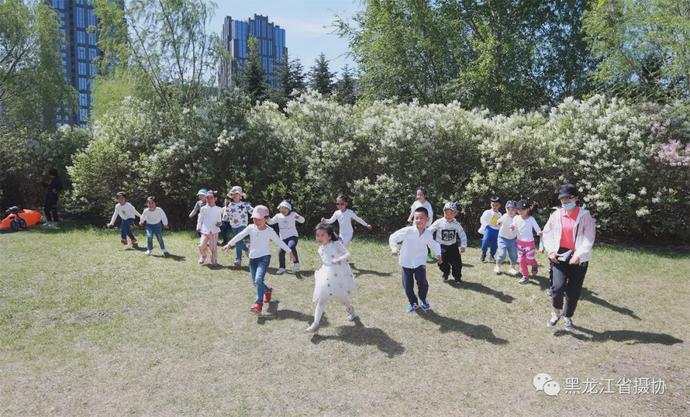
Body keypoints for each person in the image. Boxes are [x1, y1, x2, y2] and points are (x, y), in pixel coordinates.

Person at [542, 183, 596, 331]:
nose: (565, 203)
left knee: (573, 291)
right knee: (558, 287)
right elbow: (547, 233)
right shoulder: (556, 215)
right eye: (563, 200)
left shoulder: (585, 216)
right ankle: (556, 313)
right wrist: (551, 250)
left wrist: (579, 254)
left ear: (576, 198)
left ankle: (568, 317)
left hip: (579, 257)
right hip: (559, 255)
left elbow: (589, 238)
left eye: (568, 199)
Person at [224, 205, 295, 314]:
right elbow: (240, 235)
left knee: (258, 280)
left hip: (264, 258)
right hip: (252, 258)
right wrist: (229, 244)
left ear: (266, 219)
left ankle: (258, 304)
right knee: (256, 282)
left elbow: (279, 242)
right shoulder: (250, 228)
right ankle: (268, 290)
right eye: (254, 218)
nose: (256, 220)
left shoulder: (270, 231)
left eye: (259, 218)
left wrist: (289, 251)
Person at [305, 223, 357, 333]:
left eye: (322, 235)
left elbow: (348, 254)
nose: (319, 237)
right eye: (317, 235)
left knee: (342, 298)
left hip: (339, 274)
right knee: (321, 300)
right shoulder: (320, 249)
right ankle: (315, 324)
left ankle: (350, 309)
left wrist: (339, 259)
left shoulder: (336, 244)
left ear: (329, 236)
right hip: (326, 275)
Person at [389, 207, 442, 313]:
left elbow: (433, 244)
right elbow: (393, 237)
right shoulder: (408, 231)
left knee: (423, 283)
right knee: (408, 286)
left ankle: (423, 299)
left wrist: (438, 255)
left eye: (421, 218)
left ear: (427, 219)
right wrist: (394, 248)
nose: (418, 220)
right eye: (416, 218)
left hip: (420, 262)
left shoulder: (428, 234)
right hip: (406, 262)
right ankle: (413, 302)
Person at [429, 202, 467, 283]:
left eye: (451, 213)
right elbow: (430, 230)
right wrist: (424, 237)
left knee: (457, 263)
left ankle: (457, 277)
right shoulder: (439, 222)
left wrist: (463, 245)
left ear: (455, 213)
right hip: (441, 246)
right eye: (446, 212)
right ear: (443, 212)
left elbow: (462, 235)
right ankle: (446, 272)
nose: (449, 214)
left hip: (453, 246)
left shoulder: (456, 224)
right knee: (441, 262)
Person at [267, 200, 305, 274]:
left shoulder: (293, 214)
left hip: (293, 236)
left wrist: (299, 217)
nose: (283, 210)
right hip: (283, 238)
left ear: (289, 209)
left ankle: (296, 264)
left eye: (285, 208)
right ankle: (282, 268)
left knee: (291, 247)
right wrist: (266, 218)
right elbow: (271, 222)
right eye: (281, 208)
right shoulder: (278, 216)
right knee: (281, 252)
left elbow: (303, 220)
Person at [512, 199, 542, 284]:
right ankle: (525, 276)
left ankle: (534, 264)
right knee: (521, 261)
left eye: (523, 209)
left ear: (528, 209)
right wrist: (512, 227)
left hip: (529, 244)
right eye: (519, 209)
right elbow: (513, 225)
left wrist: (539, 232)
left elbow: (537, 228)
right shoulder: (516, 218)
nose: (520, 211)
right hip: (519, 243)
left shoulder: (531, 219)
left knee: (529, 259)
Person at [222, 186, 253, 267]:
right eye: (233, 194)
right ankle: (247, 249)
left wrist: (260, 214)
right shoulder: (229, 205)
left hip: (243, 225)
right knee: (238, 240)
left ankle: (238, 259)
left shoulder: (245, 204)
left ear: (241, 196)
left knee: (238, 239)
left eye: (237, 194)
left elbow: (253, 211)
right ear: (231, 196)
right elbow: (226, 216)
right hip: (233, 226)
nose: (235, 195)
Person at [196, 190, 223, 267]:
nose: (209, 199)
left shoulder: (218, 209)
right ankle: (203, 255)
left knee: (213, 247)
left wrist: (219, 224)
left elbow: (219, 221)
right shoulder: (203, 208)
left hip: (214, 231)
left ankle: (214, 260)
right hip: (204, 231)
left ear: (215, 199)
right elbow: (200, 218)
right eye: (207, 198)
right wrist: (198, 226)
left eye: (211, 198)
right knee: (201, 245)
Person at [495, 200, 519, 275]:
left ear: (516, 210)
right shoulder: (505, 216)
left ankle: (512, 268)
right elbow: (499, 221)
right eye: (508, 209)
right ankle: (497, 266)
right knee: (502, 255)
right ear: (506, 209)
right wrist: (498, 222)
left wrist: (514, 227)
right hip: (502, 238)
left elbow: (520, 227)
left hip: (513, 240)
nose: (510, 211)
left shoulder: (518, 218)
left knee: (514, 255)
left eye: (513, 209)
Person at [478, 196, 502, 262]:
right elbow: (482, 219)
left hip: (497, 230)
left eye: (496, 205)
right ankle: (483, 254)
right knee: (485, 241)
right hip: (488, 229)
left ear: (499, 205)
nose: (494, 206)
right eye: (493, 205)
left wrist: (500, 225)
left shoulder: (500, 214)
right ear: (490, 205)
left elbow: (501, 223)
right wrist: (486, 225)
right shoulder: (487, 212)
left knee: (495, 244)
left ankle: (492, 255)